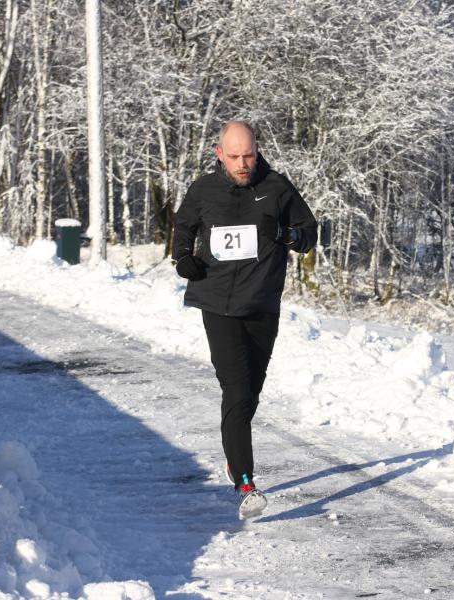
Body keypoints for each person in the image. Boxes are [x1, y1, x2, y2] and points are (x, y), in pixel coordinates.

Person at [172, 120, 318, 519]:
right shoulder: (204, 189)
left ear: (258, 151)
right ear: (219, 154)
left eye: (249, 155)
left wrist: (286, 235)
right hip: (217, 304)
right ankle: (245, 482)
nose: (242, 164)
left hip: (261, 305)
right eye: (234, 156)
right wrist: (183, 258)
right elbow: (183, 227)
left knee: (250, 392)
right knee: (236, 390)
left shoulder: (277, 187)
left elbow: (308, 233)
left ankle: (233, 456)